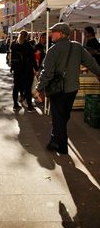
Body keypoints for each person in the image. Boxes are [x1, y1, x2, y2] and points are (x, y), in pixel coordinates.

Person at [34, 23, 100, 154]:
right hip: (72, 89)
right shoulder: (77, 46)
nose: (51, 34)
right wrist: (99, 72)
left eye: (54, 32)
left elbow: (47, 73)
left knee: (58, 118)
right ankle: (54, 140)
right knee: (64, 116)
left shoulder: (53, 50)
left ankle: (61, 146)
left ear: (61, 34)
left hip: (57, 89)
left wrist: (39, 88)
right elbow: (90, 62)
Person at [11, 30, 38, 112]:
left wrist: (12, 68)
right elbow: (32, 59)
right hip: (27, 70)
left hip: (17, 70)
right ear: (27, 37)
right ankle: (29, 106)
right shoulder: (28, 46)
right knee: (27, 89)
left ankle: (15, 105)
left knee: (16, 88)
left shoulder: (14, 45)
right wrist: (36, 69)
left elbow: (12, 58)